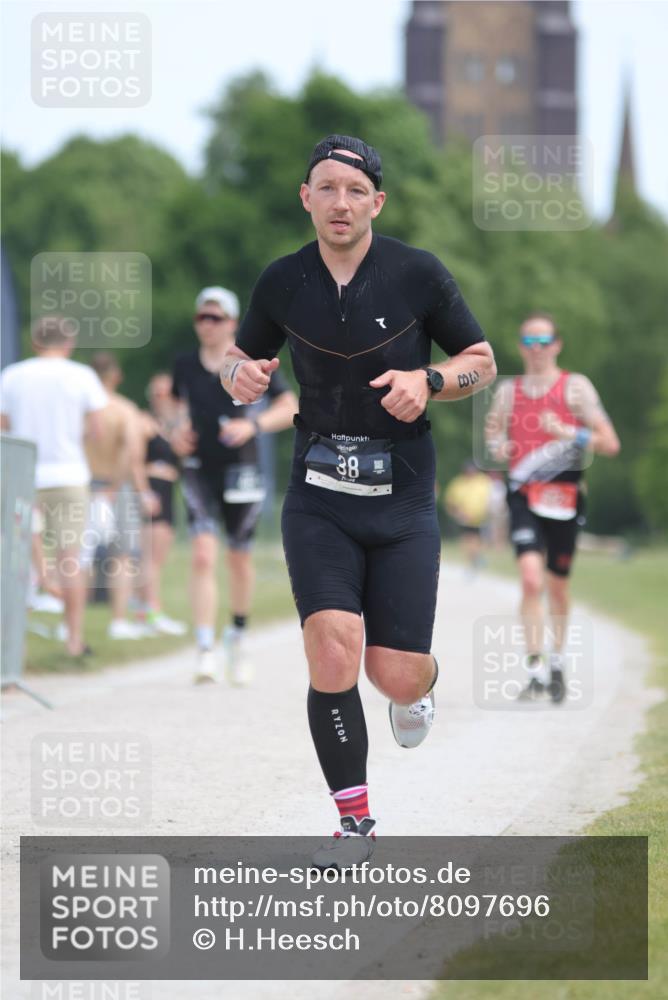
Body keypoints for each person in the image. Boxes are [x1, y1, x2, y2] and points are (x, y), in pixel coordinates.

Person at [220, 134, 496, 867]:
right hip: (318, 495)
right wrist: (235, 377)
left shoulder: (417, 275)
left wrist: (429, 383)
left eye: (354, 190)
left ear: (376, 201)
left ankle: (421, 687)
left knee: (391, 671)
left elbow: (482, 361)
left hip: (402, 498)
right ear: (306, 199)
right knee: (332, 646)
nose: (340, 202)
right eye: (325, 188)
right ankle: (355, 825)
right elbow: (241, 359)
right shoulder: (282, 281)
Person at [485, 312, 620, 703]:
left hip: (564, 496)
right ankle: (534, 668)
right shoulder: (509, 393)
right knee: (530, 578)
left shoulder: (575, 388)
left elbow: (609, 443)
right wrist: (499, 449)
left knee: (558, 586)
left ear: (557, 345)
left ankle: (558, 660)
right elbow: (493, 434)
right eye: (529, 342)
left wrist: (568, 432)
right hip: (524, 492)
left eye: (544, 342)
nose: (537, 350)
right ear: (520, 347)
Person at [171, 286, 297, 685]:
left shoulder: (249, 362)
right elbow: (175, 409)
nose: (206, 325)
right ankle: (205, 647)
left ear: (232, 323)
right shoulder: (185, 364)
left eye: (215, 318)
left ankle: (238, 637)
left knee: (238, 558)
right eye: (201, 317)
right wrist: (175, 432)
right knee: (203, 555)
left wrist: (253, 425)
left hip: (242, 471)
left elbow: (290, 406)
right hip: (199, 469)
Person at [0, 316, 107, 659]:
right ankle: (73, 640)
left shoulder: (13, 376)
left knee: (19, 561)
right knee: (70, 560)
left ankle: (14, 647)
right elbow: (98, 430)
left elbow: (4, 428)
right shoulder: (82, 376)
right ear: (68, 343)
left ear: (35, 342)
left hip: (24, 475)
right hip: (69, 475)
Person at [84, 352, 159, 640]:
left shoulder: (81, 410)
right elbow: (132, 455)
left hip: (84, 483)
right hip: (117, 488)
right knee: (123, 556)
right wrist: (131, 490)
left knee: (77, 556)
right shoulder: (124, 409)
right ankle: (117, 621)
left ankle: (70, 623)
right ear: (115, 376)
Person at [135, 373, 187, 636]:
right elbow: (134, 462)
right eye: (157, 393)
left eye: (167, 393)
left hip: (169, 489)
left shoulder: (175, 426)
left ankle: (145, 608)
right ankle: (151, 611)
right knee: (150, 557)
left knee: (159, 555)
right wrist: (144, 492)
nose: (162, 398)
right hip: (153, 489)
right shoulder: (145, 423)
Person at [443, 462, 492, 575]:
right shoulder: (458, 483)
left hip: (482, 518)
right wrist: (458, 513)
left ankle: (476, 559)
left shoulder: (483, 481)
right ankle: (472, 563)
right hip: (464, 518)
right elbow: (450, 501)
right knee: (468, 540)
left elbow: (490, 498)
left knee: (479, 541)